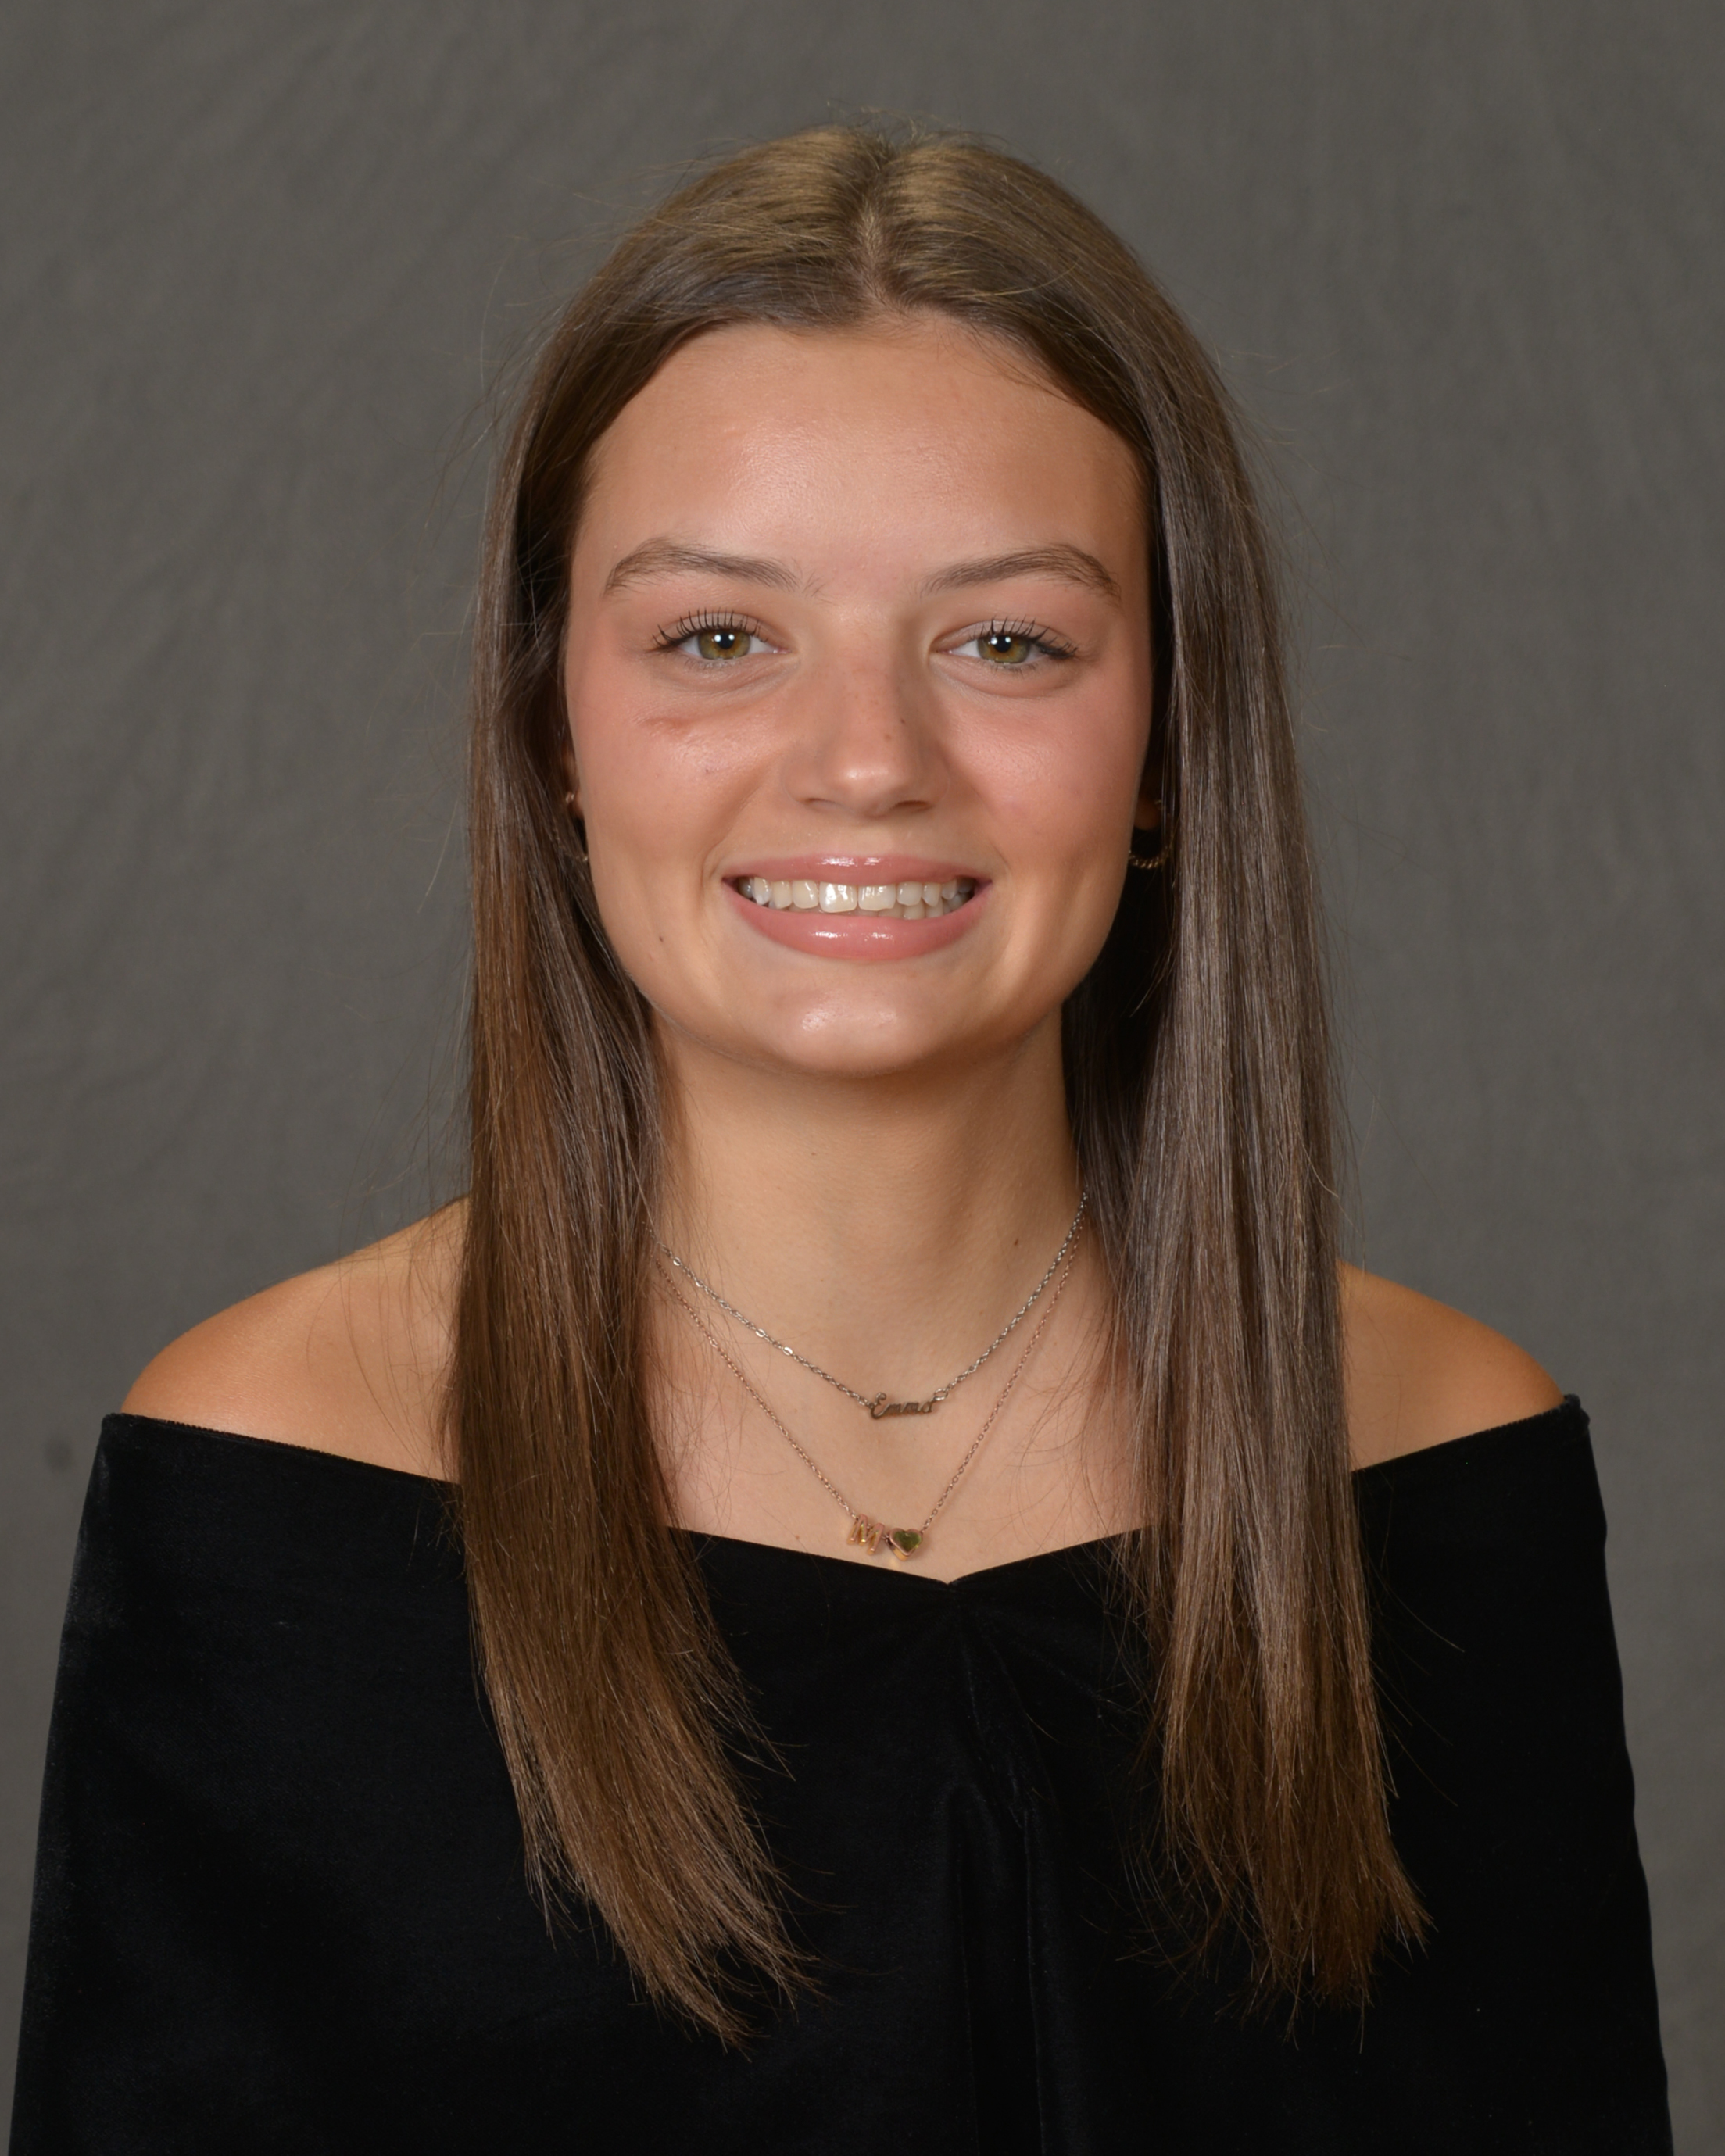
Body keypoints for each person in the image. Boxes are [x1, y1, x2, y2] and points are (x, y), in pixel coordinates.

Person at [10, 125, 1670, 2154]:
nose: (869, 761)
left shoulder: (1436, 1457)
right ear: (550, 730)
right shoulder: (272, 1478)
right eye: (719, 637)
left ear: (1167, 734)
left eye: (1008, 641)